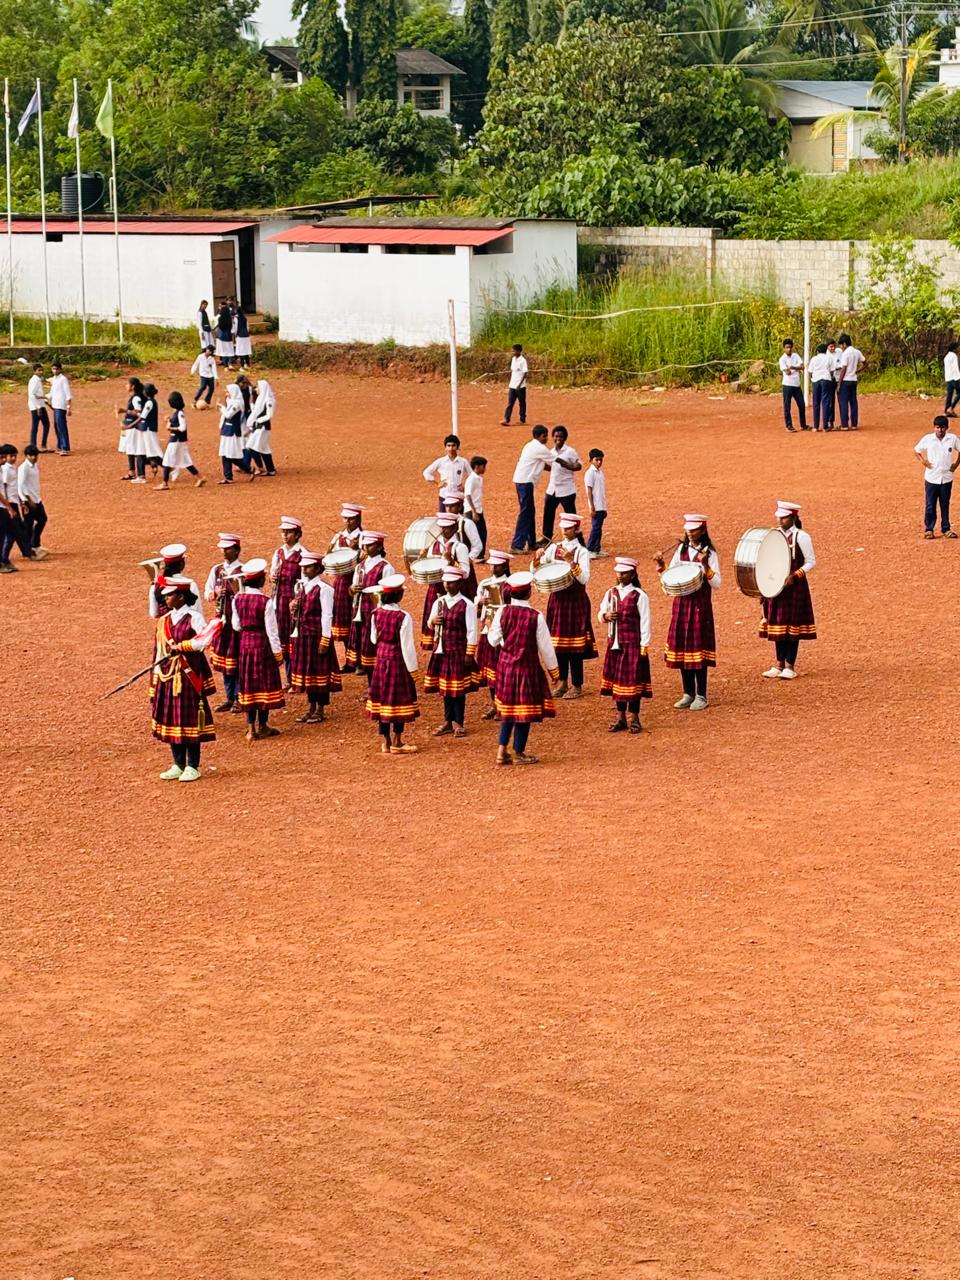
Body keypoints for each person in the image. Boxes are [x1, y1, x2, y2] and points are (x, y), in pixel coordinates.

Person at [150, 576, 217, 782]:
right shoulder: (164, 621)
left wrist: (182, 647)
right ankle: (177, 763)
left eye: (169, 595)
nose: (166, 599)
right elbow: (159, 650)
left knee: (188, 718)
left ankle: (192, 765)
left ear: (180, 596)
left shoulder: (194, 617)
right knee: (172, 717)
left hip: (188, 675)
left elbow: (205, 639)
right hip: (168, 675)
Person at [488, 571, 559, 766]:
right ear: (529, 593)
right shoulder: (536, 616)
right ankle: (519, 751)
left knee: (507, 710)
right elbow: (545, 647)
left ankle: (501, 751)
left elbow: (492, 640)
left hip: (505, 668)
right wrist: (554, 671)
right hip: (527, 668)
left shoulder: (502, 612)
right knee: (523, 711)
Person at [656, 513, 719, 711]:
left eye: (694, 530)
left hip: (700, 607)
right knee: (683, 649)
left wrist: (706, 565)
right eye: (688, 530)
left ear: (702, 530)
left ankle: (701, 694)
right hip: (681, 606)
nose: (690, 534)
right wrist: (661, 568)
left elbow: (717, 583)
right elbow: (671, 578)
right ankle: (687, 693)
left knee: (698, 651)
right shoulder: (681, 550)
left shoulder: (710, 553)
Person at [534, 511, 596, 699]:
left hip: (575, 600)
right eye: (563, 528)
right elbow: (539, 570)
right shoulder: (554, 548)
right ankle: (562, 682)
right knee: (558, 643)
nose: (564, 531)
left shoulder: (582, 552)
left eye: (568, 528)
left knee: (575, 644)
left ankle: (577, 684)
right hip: (558, 600)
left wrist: (570, 560)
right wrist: (537, 558)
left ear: (576, 530)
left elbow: (584, 578)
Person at [760, 501, 817, 678]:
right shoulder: (774, 535)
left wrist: (796, 575)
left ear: (793, 518)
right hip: (777, 586)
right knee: (778, 624)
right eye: (779, 517)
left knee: (792, 626)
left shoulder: (802, 537)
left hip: (794, 587)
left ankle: (790, 666)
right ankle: (779, 664)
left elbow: (810, 561)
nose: (780, 521)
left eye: (784, 518)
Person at [365, 573, 419, 755]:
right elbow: (407, 646)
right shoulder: (403, 617)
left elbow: (373, 639)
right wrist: (413, 670)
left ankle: (386, 742)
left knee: (382, 701)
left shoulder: (375, 614)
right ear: (399, 596)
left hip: (381, 661)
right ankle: (397, 741)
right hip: (397, 662)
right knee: (397, 701)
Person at [232, 557, 285, 740]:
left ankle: (250, 728)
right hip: (262, 646)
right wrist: (278, 653)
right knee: (263, 686)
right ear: (261, 580)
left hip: (245, 646)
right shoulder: (266, 602)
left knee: (248, 686)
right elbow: (272, 631)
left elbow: (236, 626)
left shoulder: (238, 598)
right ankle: (263, 726)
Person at [598, 556, 652, 733]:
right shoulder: (610, 592)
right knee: (618, 683)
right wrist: (606, 617)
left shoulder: (639, 596)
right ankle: (621, 717)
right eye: (618, 573)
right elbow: (601, 612)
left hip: (632, 645)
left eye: (624, 573)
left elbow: (645, 622)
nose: (620, 576)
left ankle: (635, 718)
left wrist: (644, 645)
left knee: (633, 682)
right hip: (615, 643)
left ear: (632, 574)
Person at [424, 566, 478, 738]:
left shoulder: (467, 604)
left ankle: (458, 722)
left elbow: (472, 631)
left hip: (458, 651)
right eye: (446, 582)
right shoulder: (438, 603)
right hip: (442, 651)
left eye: (451, 583)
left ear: (459, 584)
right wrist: (433, 621)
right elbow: (428, 624)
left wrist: (469, 654)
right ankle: (448, 721)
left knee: (458, 689)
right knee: (446, 688)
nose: (447, 585)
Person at [289, 550, 342, 722]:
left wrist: (325, 639)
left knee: (320, 672)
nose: (304, 570)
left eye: (309, 567)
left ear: (317, 568)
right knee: (309, 673)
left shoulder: (324, 589)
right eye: (304, 567)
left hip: (316, 635)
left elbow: (327, 615)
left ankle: (320, 708)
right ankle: (311, 706)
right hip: (303, 635)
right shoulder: (302, 587)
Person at [346, 531, 395, 679]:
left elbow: (390, 593)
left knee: (374, 650)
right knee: (365, 651)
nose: (366, 547)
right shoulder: (360, 566)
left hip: (376, 613)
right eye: (365, 544)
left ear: (379, 547)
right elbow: (352, 589)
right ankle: (372, 686)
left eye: (371, 544)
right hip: (360, 612)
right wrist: (352, 589)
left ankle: (377, 686)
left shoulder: (385, 567)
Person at [419, 513, 470, 649]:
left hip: (453, 589)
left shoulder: (460, 547)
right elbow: (428, 568)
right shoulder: (433, 545)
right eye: (441, 527)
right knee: (435, 619)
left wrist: (451, 561)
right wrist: (422, 560)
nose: (443, 531)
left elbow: (466, 574)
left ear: (454, 528)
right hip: (435, 587)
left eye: (446, 528)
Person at [205, 533, 243, 711]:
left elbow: (245, 596)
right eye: (223, 549)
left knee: (236, 660)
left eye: (228, 549)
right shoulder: (217, 570)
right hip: (221, 621)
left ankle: (238, 696)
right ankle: (230, 696)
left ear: (237, 550)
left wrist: (234, 593)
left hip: (236, 623)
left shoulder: (242, 570)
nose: (224, 552)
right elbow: (207, 593)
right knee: (225, 661)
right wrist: (214, 594)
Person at [474, 550, 512, 720]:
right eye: (492, 565)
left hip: (504, 631)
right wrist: (480, 603)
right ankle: (495, 704)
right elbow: (477, 609)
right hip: (488, 628)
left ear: (505, 565)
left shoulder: (510, 584)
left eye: (497, 565)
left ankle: (503, 704)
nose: (493, 568)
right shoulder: (485, 583)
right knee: (491, 669)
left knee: (502, 670)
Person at [510, 425, 556, 555]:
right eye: (544, 436)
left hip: (522, 480)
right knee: (526, 512)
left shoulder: (530, 445)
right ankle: (517, 544)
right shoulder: (539, 448)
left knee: (530, 511)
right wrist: (569, 467)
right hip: (525, 482)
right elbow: (555, 461)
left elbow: (543, 465)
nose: (546, 438)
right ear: (539, 436)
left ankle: (531, 542)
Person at [271, 516, 305, 686]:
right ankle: (288, 677)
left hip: (292, 602)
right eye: (283, 532)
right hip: (278, 600)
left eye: (289, 532)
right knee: (280, 637)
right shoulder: (278, 553)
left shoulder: (303, 555)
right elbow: (271, 574)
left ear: (298, 535)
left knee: (292, 638)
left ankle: (294, 677)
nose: (285, 535)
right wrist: (273, 577)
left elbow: (304, 581)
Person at [915, 415, 960, 540]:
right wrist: (923, 461)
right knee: (930, 504)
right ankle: (929, 529)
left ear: (947, 428)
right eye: (937, 428)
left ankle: (946, 528)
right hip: (931, 478)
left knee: (945, 504)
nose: (940, 430)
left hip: (946, 477)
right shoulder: (928, 439)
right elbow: (917, 450)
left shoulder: (952, 439)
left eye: (942, 428)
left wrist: (956, 464)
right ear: (934, 427)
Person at [327, 503, 363, 652]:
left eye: (351, 519)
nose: (348, 522)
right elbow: (329, 557)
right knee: (342, 620)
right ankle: (350, 657)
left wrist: (357, 550)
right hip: (341, 582)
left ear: (358, 519)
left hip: (358, 581)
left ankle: (359, 658)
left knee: (357, 619)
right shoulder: (338, 537)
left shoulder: (364, 537)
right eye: (345, 519)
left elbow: (371, 559)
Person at [155, 392, 204, 491]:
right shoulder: (177, 412)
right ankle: (200, 477)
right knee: (185, 461)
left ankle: (164, 483)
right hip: (178, 441)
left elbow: (182, 428)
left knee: (166, 461)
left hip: (176, 440)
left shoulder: (180, 413)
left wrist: (170, 428)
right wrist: (169, 421)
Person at [0, 443, 36, 571]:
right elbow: (3, 489)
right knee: (10, 533)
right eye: (9, 456)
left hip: (11, 504)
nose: (12, 458)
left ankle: (7, 558)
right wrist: (9, 507)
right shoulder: (4, 470)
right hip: (6, 505)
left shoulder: (9, 468)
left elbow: (14, 488)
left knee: (14, 532)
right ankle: (6, 559)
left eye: (14, 456)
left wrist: (20, 503)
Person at [543, 425, 582, 540]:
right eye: (555, 436)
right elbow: (550, 468)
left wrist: (566, 464)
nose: (558, 439)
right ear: (552, 437)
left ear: (565, 438)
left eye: (560, 436)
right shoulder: (550, 452)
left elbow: (578, 466)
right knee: (548, 514)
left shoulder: (570, 451)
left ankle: (577, 538)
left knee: (571, 515)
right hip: (552, 489)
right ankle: (546, 537)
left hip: (567, 490)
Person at [217, 379, 255, 484]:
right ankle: (228, 477)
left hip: (232, 431)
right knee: (224, 454)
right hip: (226, 430)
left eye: (228, 392)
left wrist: (221, 407)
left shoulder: (237, 404)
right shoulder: (231, 402)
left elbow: (229, 414)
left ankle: (248, 469)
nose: (226, 393)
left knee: (231, 455)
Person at [149, 544, 201, 619]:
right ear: (181, 564)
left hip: (165, 628)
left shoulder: (155, 586)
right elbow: (197, 611)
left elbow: (154, 614)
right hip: (185, 628)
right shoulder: (189, 584)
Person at [422, 436, 472, 506]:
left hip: (458, 496)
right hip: (444, 495)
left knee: (459, 517)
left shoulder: (463, 461)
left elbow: (472, 476)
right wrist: (437, 483)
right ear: (445, 447)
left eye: (453, 445)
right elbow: (426, 472)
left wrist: (465, 488)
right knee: (444, 517)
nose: (451, 448)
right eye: (448, 446)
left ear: (457, 447)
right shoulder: (440, 461)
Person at [18, 445, 48, 556]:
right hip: (28, 500)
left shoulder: (34, 466)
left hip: (36, 498)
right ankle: (27, 549)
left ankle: (35, 544)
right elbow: (20, 486)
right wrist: (27, 501)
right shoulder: (23, 468)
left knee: (42, 519)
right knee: (28, 525)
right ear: (26, 456)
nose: (34, 458)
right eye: (31, 456)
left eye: (35, 455)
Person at [130, 383, 163, 483]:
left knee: (152, 452)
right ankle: (141, 476)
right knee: (140, 451)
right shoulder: (149, 402)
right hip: (143, 429)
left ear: (146, 392)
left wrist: (129, 426)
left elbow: (142, 417)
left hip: (148, 429)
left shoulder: (150, 403)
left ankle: (170, 468)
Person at [247, 378, 277, 476]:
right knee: (264, 448)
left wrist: (258, 420)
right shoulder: (261, 399)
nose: (256, 389)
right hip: (258, 426)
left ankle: (260, 467)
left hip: (263, 427)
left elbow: (270, 414)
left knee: (251, 447)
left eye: (258, 387)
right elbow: (256, 411)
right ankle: (270, 469)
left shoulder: (269, 400)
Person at [117, 376, 144, 481]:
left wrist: (124, 411)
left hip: (133, 427)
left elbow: (139, 412)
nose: (126, 386)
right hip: (129, 426)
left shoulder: (136, 398)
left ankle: (149, 465)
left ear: (133, 386)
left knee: (133, 449)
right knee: (130, 449)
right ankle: (132, 472)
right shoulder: (133, 397)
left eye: (128, 384)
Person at [836, 334, 864, 430]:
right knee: (853, 402)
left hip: (846, 380)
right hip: (853, 379)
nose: (841, 347)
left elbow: (843, 368)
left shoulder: (845, 354)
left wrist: (839, 383)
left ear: (844, 344)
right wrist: (858, 370)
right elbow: (865, 362)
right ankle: (854, 424)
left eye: (841, 345)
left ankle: (844, 425)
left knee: (843, 402)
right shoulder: (857, 352)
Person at [779, 338, 806, 433]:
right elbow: (787, 372)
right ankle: (789, 425)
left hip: (796, 384)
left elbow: (802, 366)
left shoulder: (795, 356)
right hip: (787, 385)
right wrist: (796, 368)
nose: (789, 349)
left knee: (802, 405)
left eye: (790, 347)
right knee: (787, 406)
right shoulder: (782, 359)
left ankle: (803, 424)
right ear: (784, 348)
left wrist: (793, 367)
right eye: (787, 347)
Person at [584, 449, 608, 557]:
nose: (599, 462)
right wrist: (592, 507)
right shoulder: (590, 473)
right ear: (591, 460)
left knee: (599, 528)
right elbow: (589, 491)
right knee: (595, 528)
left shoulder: (600, 473)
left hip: (601, 505)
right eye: (597, 460)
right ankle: (589, 549)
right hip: (596, 506)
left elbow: (601, 491)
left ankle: (597, 549)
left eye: (601, 460)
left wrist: (604, 507)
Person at [809, 343, 835, 434]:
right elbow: (832, 370)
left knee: (816, 402)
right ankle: (825, 426)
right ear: (826, 350)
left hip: (816, 380)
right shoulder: (829, 358)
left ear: (817, 351)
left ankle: (815, 426)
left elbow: (810, 371)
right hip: (826, 379)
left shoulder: (814, 359)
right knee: (826, 402)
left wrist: (813, 378)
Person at [465, 456, 487, 558]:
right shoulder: (472, 479)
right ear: (477, 466)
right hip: (473, 510)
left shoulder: (478, 478)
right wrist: (473, 511)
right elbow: (468, 495)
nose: (484, 469)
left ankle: (479, 555)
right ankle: (476, 555)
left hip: (477, 509)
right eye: (483, 466)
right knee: (476, 533)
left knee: (481, 532)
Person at [48, 362, 72, 455]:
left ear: (60, 369)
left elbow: (68, 394)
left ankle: (65, 447)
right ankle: (60, 445)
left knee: (61, 426)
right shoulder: (54, 379)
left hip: (61, 406)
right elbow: (51, 393)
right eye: (53, 369)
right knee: (57, 426)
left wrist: (69, 407)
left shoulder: (63, 379)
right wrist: (42, 397)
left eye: (56, 369)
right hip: (55, 405)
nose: (54, 371)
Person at [502, 343, 528, 425]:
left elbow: (525, 373)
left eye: (514, 351)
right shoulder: (513, 359)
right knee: (510, 403)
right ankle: (506, 419)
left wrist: (519, 385)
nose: (513, 352)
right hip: (512, 385)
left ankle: (522, 419)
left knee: (522, 403)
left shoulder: (523, 361)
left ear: (519, 351)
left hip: (520, 386)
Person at [27, 363, 51, 451]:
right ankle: (34, 446)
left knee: (45, 425)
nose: (41, 372)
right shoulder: (34, 380)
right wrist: (38, 408)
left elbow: (39, 394)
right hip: (36, 407)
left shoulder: (38, 380)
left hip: (40, 405)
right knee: (37, 426)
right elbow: (32, 395)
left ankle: (40, 445)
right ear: (35, 371)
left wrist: (46, 403)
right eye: (39, 370)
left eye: (42, 370)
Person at [191, 346, 217, 410]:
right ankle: (195, 400)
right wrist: (193, 371)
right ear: (206, 350)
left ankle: (207, 402)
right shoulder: (200, 356)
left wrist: (216, 377)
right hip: (203, 374)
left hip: (210, 375)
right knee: (203, 387)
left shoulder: (212, 359)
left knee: (211, 388)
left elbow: (214, 368)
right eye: (208, 350)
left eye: (210, 351)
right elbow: (196, 364)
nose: (209, 352)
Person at [215, 301, 235, 367]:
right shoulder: (229, 318)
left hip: (222, 336)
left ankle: (225, 366)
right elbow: (231, 327)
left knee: (224, 352)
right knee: (229, 350)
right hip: (229, 336)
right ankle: (230, 364)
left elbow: (220, 326)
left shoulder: (220, 318)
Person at [234, 303, 252, 368]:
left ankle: (242, 365)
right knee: (246, 350)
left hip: (240, 336)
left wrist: (236, 334)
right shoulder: (245, 318)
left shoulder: (236, 318)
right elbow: (247, 327)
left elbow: (235, 328)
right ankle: (247, 364)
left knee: (241, 351)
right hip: (246, 336)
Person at [945, 343, 960, 418]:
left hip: (948, 378)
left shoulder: (946, 356)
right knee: (959, 393)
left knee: (949, 395)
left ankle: (946, 411)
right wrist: (958, 378)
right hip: (954, 378)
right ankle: (951, 408)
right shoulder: (954, 356)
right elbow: (955, 368)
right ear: (954, 349)